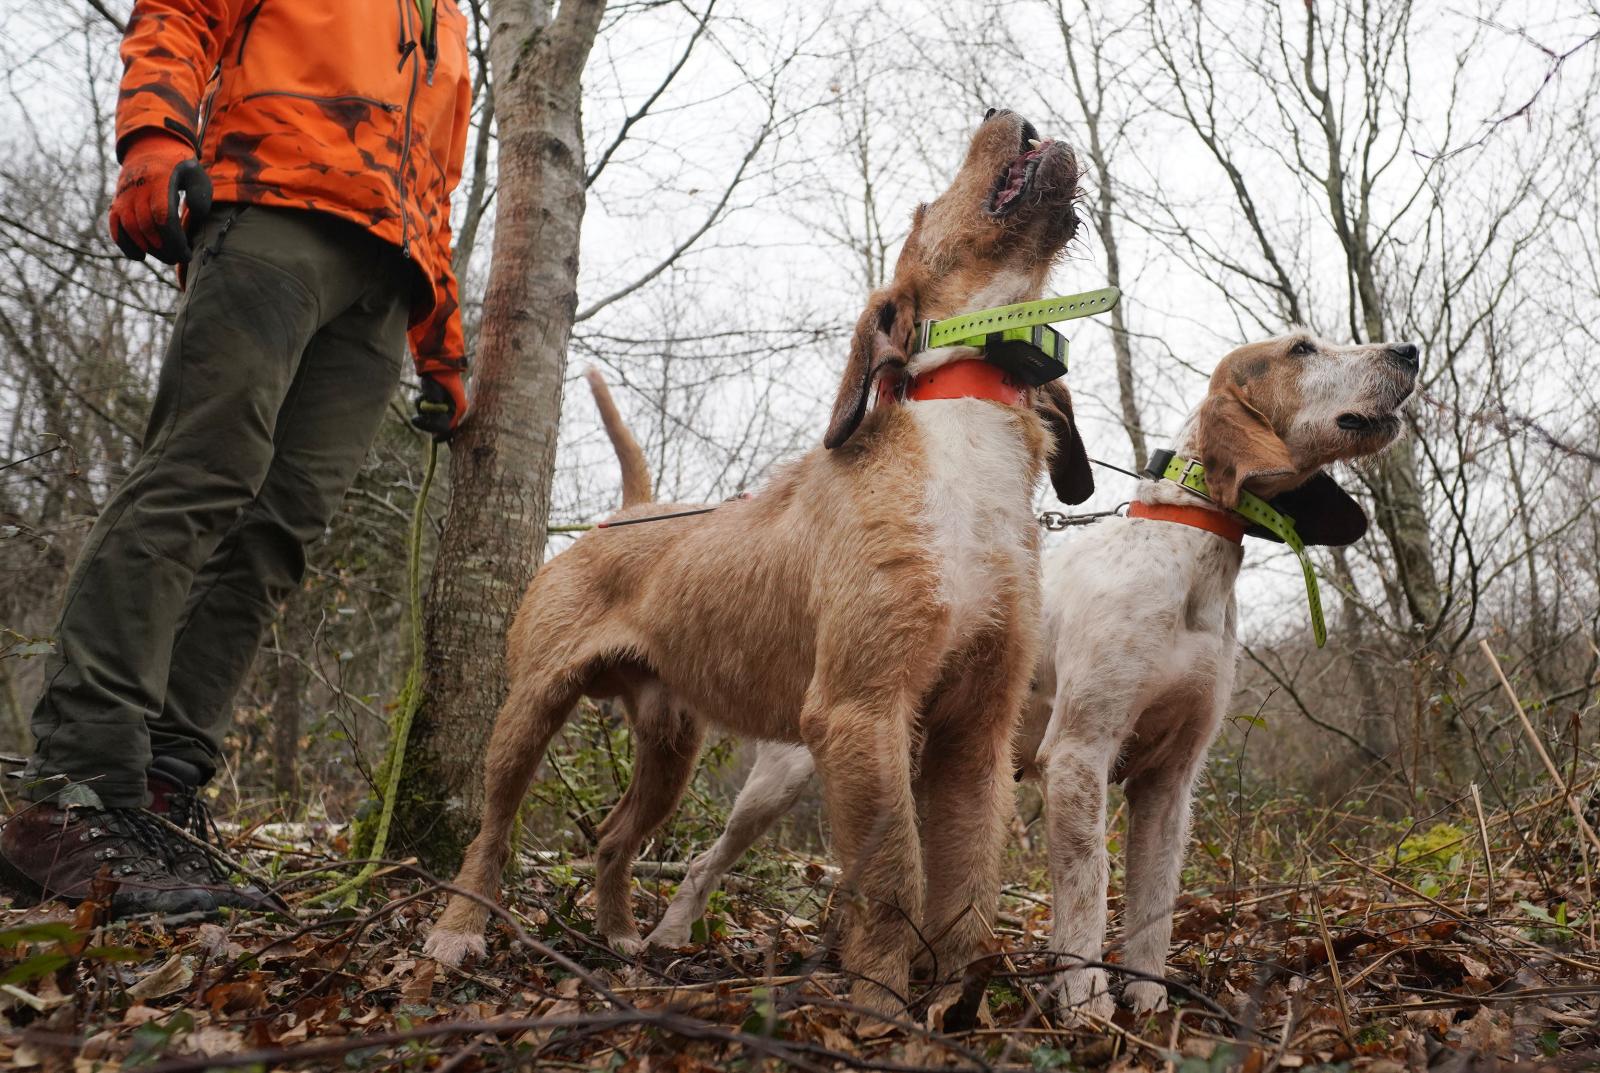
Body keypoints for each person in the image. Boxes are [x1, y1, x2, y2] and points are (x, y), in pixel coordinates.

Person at [0, 0, 473, 917]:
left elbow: (435, 186)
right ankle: (77, 791)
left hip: (385, 279)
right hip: (272, 209)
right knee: (196, 479)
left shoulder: (446, 17)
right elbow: (177, 13)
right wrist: (152, 137)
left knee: (279, 533)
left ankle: (162, 798)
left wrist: (443, 344)